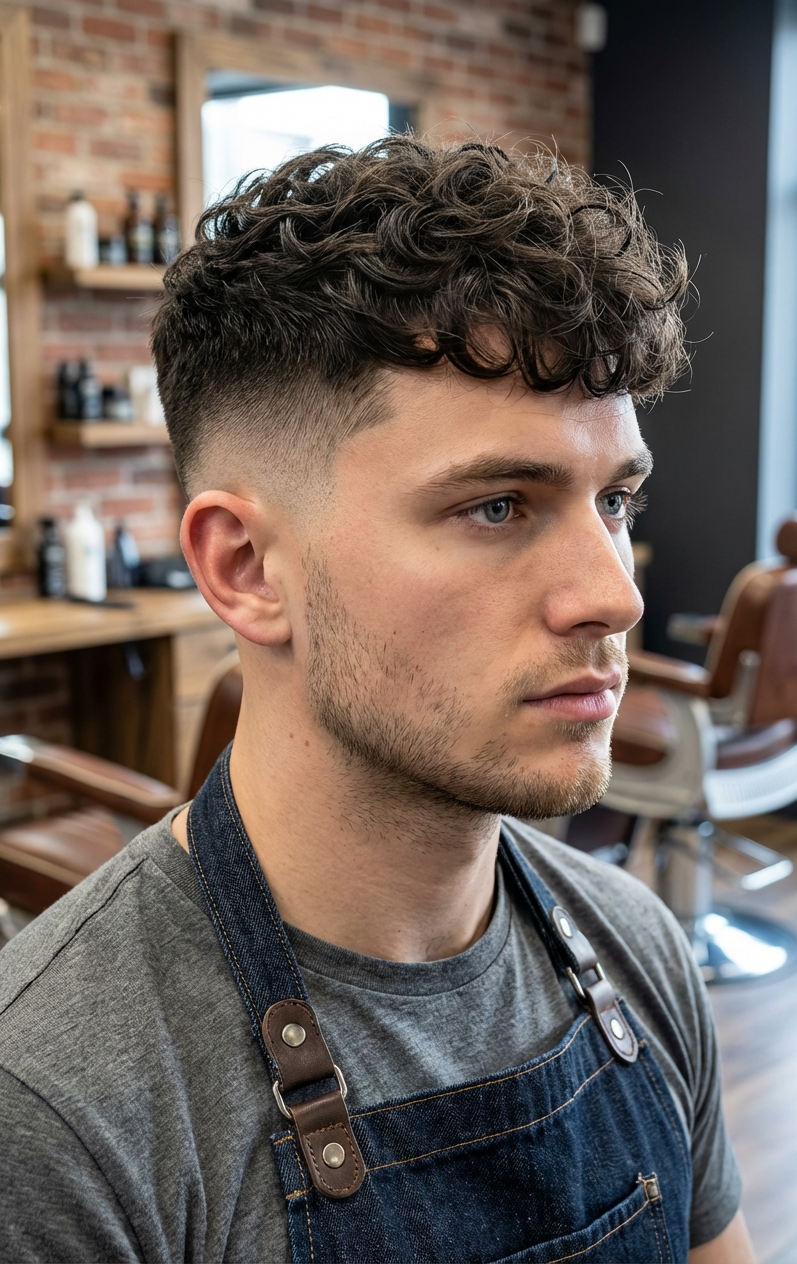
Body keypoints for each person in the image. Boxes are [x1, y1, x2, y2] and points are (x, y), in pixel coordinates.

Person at [0, 138, 755, 1263]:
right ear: (248, 568)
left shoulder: (632, 947)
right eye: (498, 506)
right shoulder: (57, 1109)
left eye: (614, 502)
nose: (615, 595)